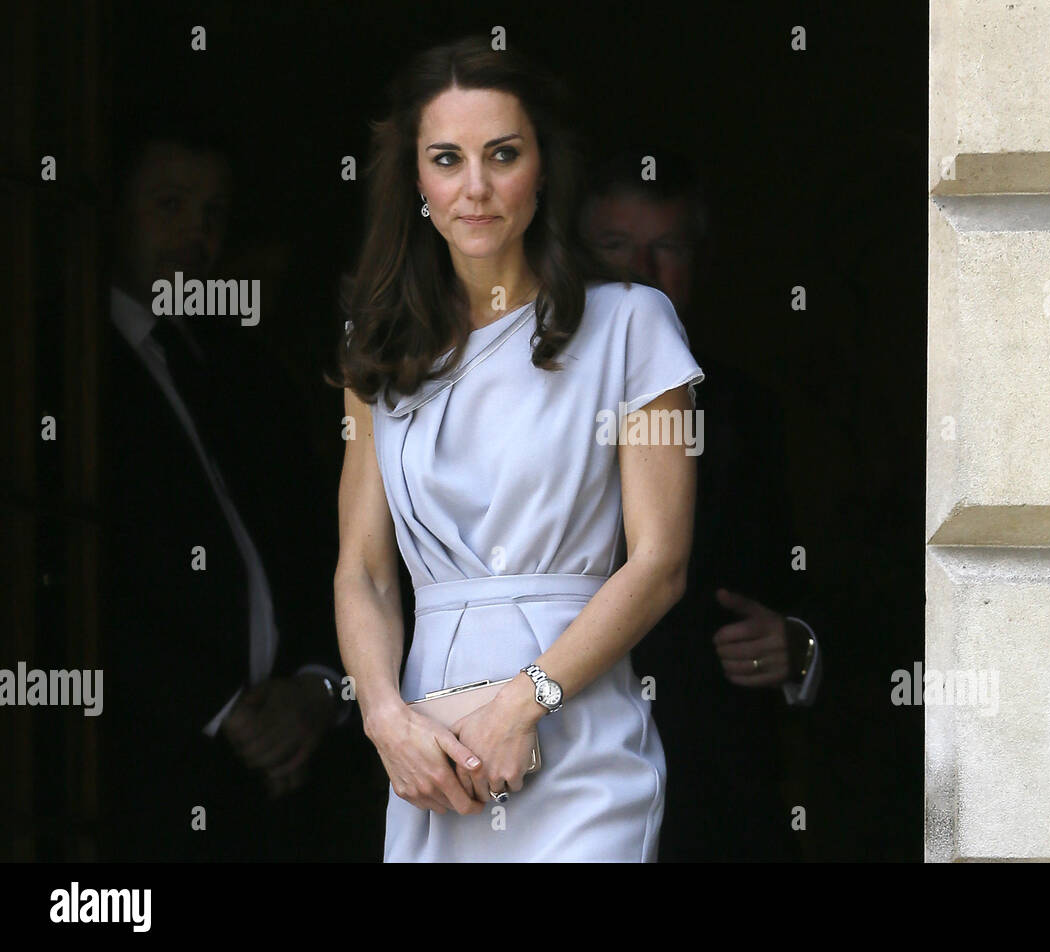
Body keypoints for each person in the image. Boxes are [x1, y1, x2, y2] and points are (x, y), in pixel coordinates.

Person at [331, 35, 702, 862]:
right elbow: (362, 569)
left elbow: (661, 562)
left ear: (543, 167)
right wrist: (384, 717)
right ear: (415, 181)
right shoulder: (379, 349)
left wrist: (523, 703)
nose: (476, 188)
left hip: (578, 740)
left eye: (503, 154)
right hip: (429, 751)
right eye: (446, 159)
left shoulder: (634, 324)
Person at [99, 119, 360, 860]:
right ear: (114, 209)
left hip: (288, 782)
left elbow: (322, 542)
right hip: (149, 773)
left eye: (213, 214)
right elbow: (82, 570)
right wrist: (221, 709)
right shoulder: (69, 371)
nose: (196, 234)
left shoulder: (249, 374)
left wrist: (315, 688)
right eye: (170, 205)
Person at [581, 147, 824, 860]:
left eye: (667, 249)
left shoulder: (750, 412)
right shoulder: (513, 396)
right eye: (616, 246)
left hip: (712, 792)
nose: (640, 275)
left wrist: (800, 641)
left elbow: (833, 573)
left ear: (700, 262)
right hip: (552, 767)